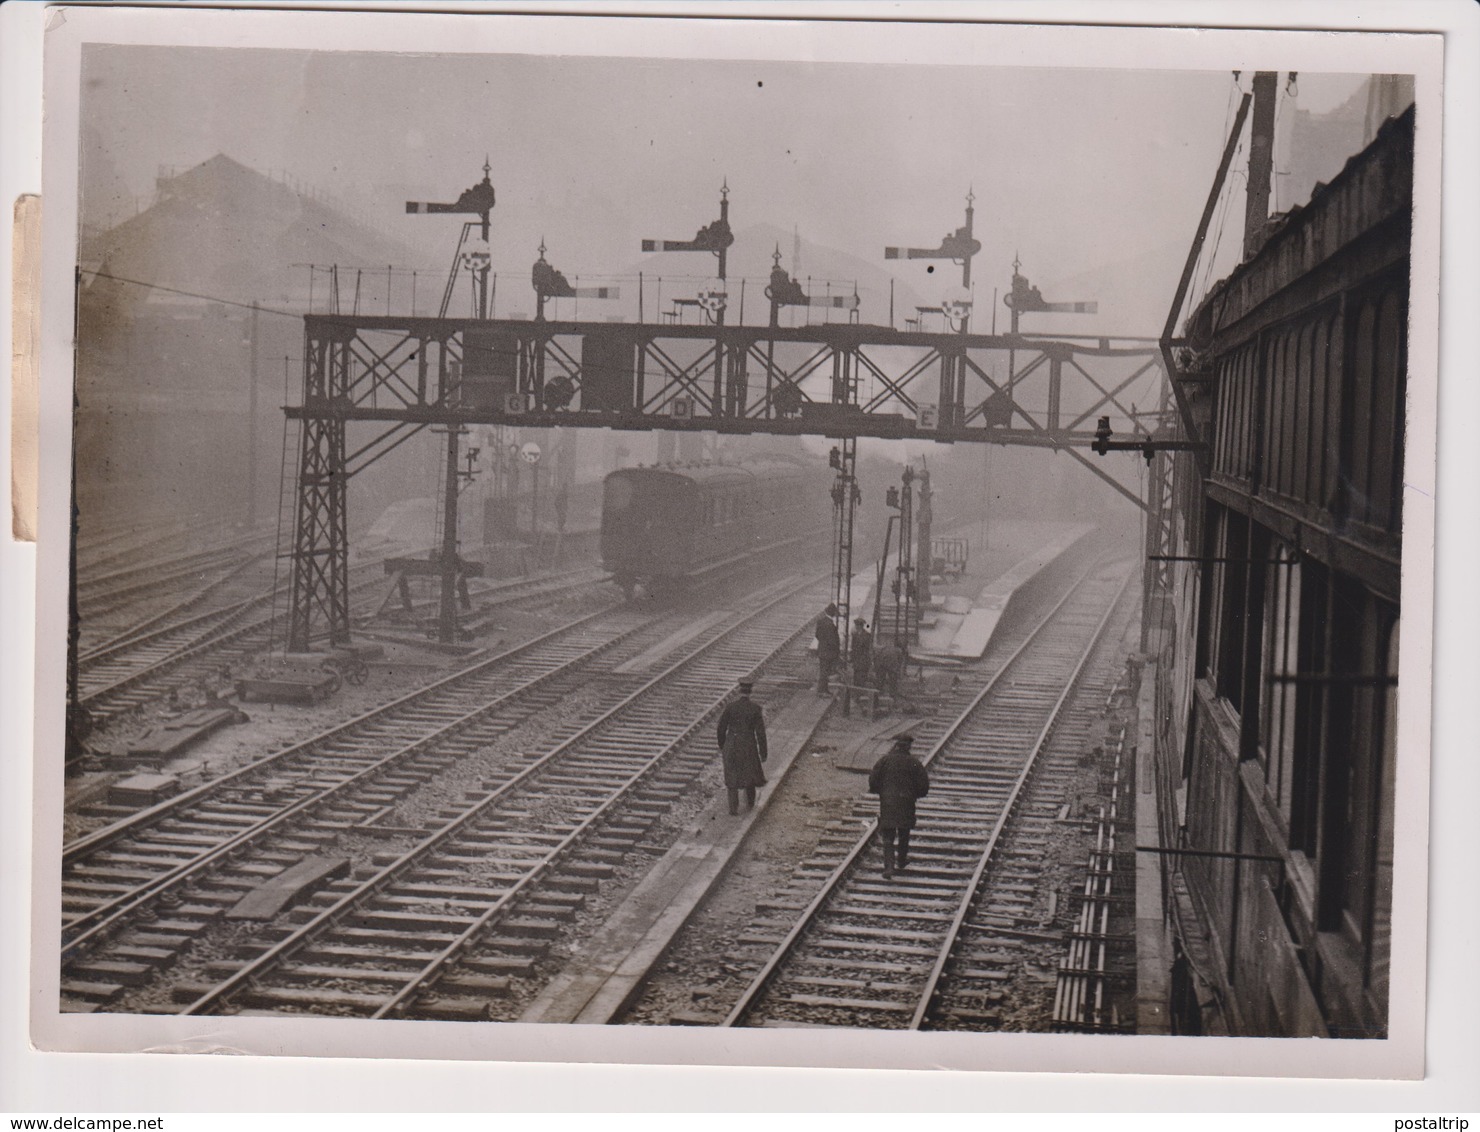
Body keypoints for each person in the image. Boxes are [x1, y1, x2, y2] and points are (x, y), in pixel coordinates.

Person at [868, 733, 930, 878]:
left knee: (888, 835)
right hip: (906, 802)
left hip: (888, 802)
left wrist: (881, 792)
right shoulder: (914, 762)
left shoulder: (884, 760)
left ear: (896, 746)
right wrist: (915, 795)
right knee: (904, 832)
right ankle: (901, 860)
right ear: (908, 747)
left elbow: (873, 780)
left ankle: (889, 867)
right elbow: (924, 786)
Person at [716, 679, 768, 815]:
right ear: (750, 691)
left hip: (731, 744)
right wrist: (763, 753)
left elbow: (721, 729)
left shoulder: (730, 707)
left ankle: (733, 809)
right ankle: (750, 805)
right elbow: (760, 733)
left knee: (731, 775)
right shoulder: (755, 709)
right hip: (748, 745)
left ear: (740, 691)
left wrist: (723, 745)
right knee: (749, 774)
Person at [814, 603, 841, 695]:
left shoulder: (820, 621)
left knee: (823, 670)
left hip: (821, 650)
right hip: (828, 652)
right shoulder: (830, 625)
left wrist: (823, 643)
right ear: (833, 613)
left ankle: (823, 690)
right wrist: (836, 651)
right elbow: (832, 641)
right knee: (825, 672)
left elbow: (817, 635)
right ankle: (822, 691)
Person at [849, 617, 873, 687]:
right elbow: (853, 648)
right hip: (856, 660)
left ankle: (861, 693)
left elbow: (868, 649)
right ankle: (856, 693)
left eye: (858, 625)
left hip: (863, 660)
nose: (856, 627)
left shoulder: (867, 635)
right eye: (856, 625)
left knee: (862, 677)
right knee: (856, 677)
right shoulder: (855, 635)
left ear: (861, 626)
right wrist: (852, 658)